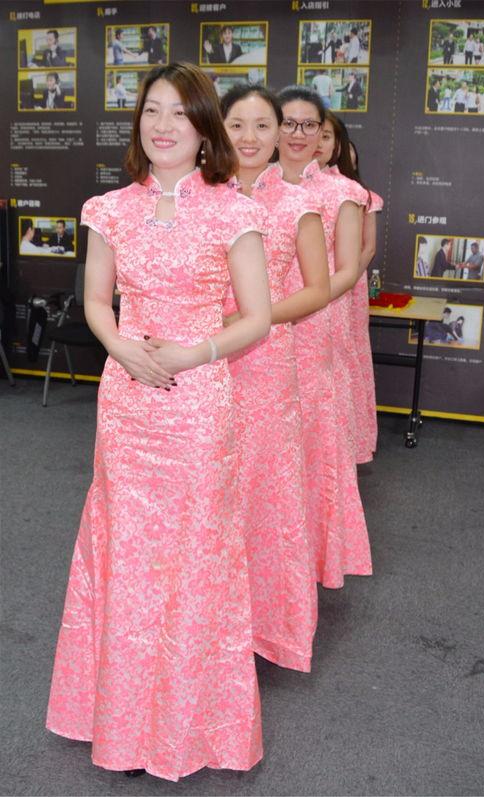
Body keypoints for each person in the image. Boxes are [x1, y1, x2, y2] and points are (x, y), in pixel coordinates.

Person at [46, 62, 272, 782]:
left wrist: (196, 352)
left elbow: (258, 318)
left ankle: (183, 728)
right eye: (151, 110)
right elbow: (96, 300)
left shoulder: (234, 211)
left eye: (179, 112)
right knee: (124, 552)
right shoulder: (108, 209)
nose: (163, 124)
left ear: (204, 128)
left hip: (198, 401)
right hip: (128, 400)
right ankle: (116, 721)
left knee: (194, 553)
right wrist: (121, 350)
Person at [220, 84, 329, 672]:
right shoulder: (200, 197)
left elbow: (317, 290)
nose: (250, 137)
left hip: (265, 367)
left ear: (280, 134)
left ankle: (267, 628)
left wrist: (254, 317)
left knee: (264, 495)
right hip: (201, 366)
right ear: (218, 128)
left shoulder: (297, 205)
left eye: (264, 126)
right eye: (237, 124)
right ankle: (209, 622)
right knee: (211, 492)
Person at [277, 84, 372, 590]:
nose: (298, 133)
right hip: (256, 333)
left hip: (314, 327)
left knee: (314, 438)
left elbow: (349, 270)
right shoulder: (248, 187)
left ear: (322, 134)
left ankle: (314, 554)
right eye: (287, 122)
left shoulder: (342, 194)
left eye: (308, 124)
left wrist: (292, 308)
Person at [315, 111, 382, 464]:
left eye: (326, 136)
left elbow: (365, 249)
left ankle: (344, 446)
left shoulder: (352, 194)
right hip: (301, 293)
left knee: (342, 360)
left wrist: (346, 278)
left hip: (342, 287)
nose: (316, 142)